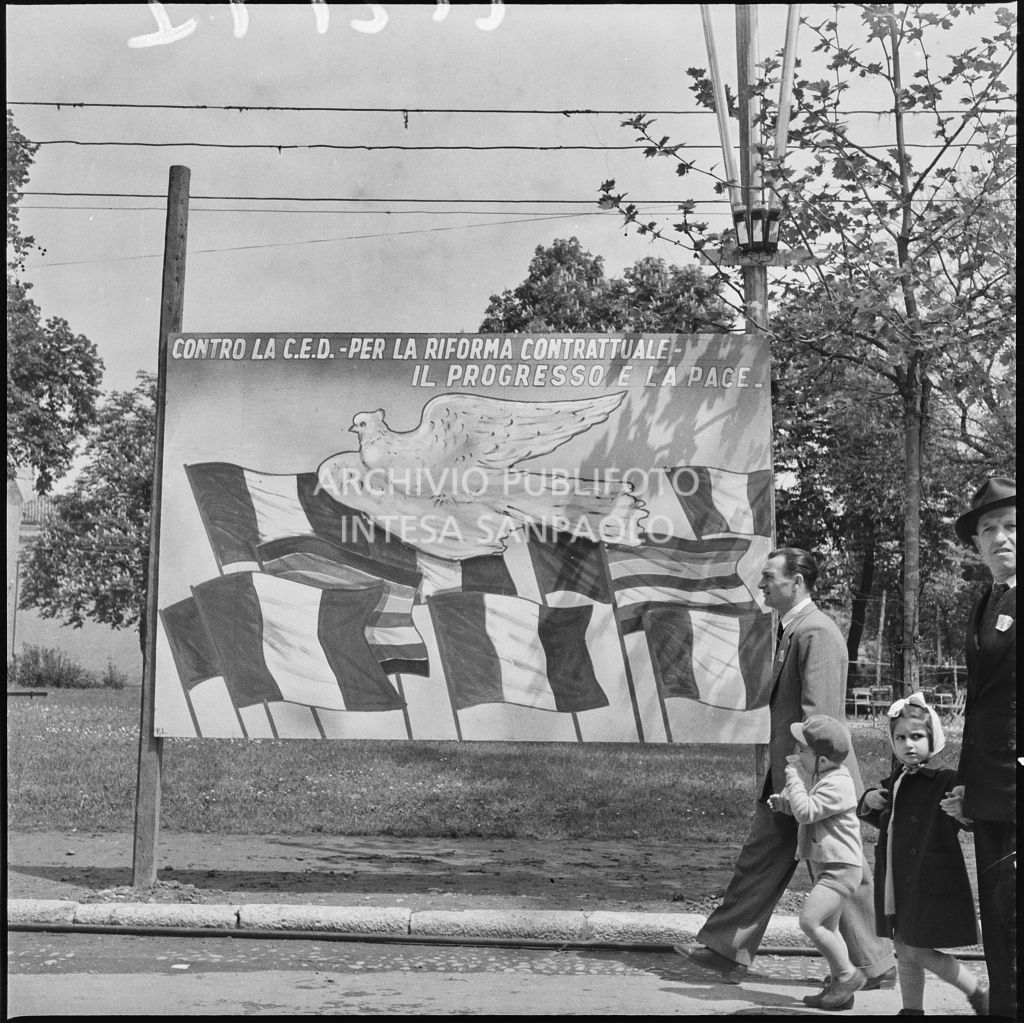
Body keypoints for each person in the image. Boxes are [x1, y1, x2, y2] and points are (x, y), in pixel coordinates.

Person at [675, 547, 895, 992]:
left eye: (770, 576)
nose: (762, 584)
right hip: (791, 775)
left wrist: (805, 789)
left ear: (797, 582)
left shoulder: (817, 633)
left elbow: (821, 722)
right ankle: (725, 951)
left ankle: (875, 964)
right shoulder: (793, 630)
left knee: (837, 869)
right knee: (768, 861)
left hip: (814, 779)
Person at [940, 477, 1017, 1019]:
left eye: (1012, 527)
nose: (1000, 538)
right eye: (988, 528)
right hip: (991, 787)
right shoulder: (987, 600)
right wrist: (967, 782)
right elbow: (982, 706)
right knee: (1001, 911)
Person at [860, 693, 988, 1016]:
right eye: (900, 738)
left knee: (916, 947)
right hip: (897, 876)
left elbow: (970, 818)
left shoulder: (944, 777)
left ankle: (976, 990)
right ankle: (912, 1010)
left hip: (927, 875)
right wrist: (870, 799)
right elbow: (890, 819)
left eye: (917, 737)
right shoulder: (901, 776)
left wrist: (964, 809)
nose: (908, 744)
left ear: (934, 738)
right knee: (903, 947)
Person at [768, 715, 866, 1011]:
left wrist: (794, 779)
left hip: (841, 869)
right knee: (828, 927)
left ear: (821, 760)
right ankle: (840, 991)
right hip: (830, 866)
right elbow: (810, 812)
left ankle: (848, 975)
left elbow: (808, 813)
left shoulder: (838, 783)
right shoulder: (826, 779)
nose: (795, 755)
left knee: (809, 922)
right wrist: (786, 804)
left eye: (802, 750)